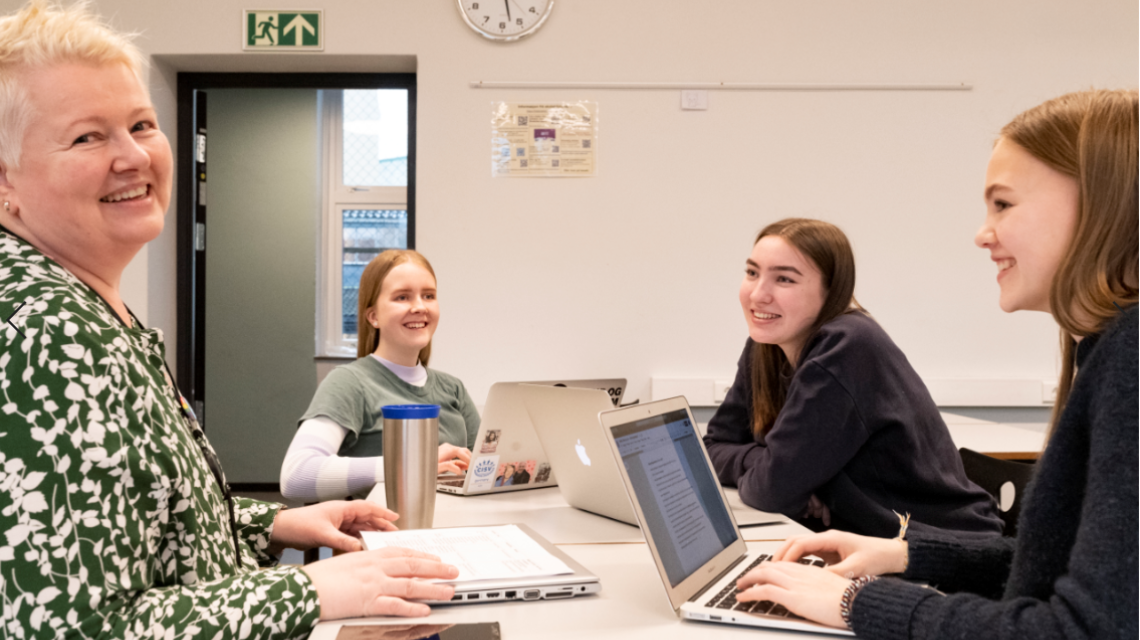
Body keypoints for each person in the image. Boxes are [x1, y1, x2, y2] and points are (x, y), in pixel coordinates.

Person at [0, 2, 458, 636]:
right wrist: (304, 588)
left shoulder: (92, 305)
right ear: (5, 182)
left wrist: (266, 522)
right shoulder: (43, 331)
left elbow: (134, 522)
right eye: (87, 136)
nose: (134, 156)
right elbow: (76, 627)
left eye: (141, 124)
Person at [735, 89, 1138, 638]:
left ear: (1099, 203)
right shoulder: (1107, 344)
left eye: (1004, 204)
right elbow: (1053, 574)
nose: (982, 233)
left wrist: (860, 602)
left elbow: (1079, 629)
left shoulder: (1130, 356)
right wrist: (902, 555)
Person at [704, 218, 1002, 539]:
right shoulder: (766, 345)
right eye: (752, 273)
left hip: (936, 547)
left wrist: (790, 478)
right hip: (866, 541)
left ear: (832, 290)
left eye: (784, 279)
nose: (758, 294)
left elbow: (770, 491)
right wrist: (777, 468)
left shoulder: (846, 346)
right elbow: (713, 447)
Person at [280, 249, 480, 502]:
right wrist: (411, 467)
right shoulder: (349, 383)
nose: (419, 307)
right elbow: (296, 477)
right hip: (382, 537)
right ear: (373, 316)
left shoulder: (453, 388)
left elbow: (486, 468)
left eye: (428, 295)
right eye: (402, 297)